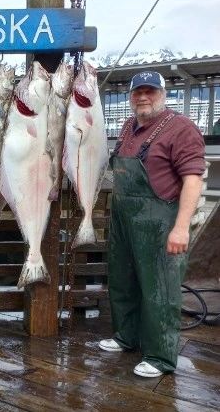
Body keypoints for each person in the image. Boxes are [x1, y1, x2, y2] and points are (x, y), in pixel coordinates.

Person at [99, 72, 205, 377]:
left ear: (163, 93)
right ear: (130, 97)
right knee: (123, 279)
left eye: (150, 91)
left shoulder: (181, 129)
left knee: (160, 288)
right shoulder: (128, 127)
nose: (143, 97)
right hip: (123, 220)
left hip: (160, 223)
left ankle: (160, 356)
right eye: (137, 92)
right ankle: (126, 336)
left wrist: (181, 227)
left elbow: (193, 179)